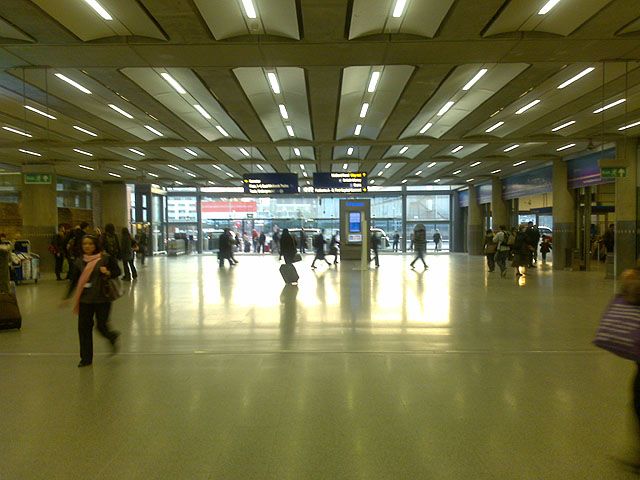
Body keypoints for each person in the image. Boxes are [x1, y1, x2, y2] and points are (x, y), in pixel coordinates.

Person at [65, 234, 121, 368]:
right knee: (84, 329)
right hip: (85, 300)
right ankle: (86, 358)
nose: (87, 246)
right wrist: (67, 296)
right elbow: (74, 281)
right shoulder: (79, 261)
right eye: (85, 244)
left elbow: (117, 271)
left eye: (90, 244)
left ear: (96, 245)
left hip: (103, 299)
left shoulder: (105, 258)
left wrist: (108, 272)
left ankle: (111, 336)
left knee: (101, 325)